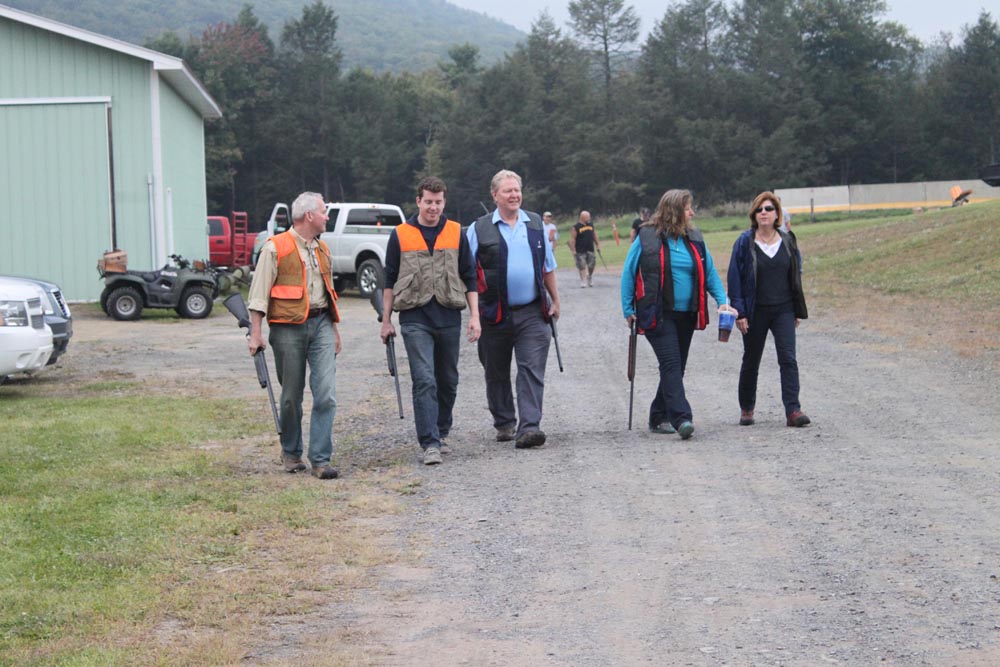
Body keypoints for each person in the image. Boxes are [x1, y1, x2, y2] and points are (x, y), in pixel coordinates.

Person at [380, 177, 481, 465]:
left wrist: (475, 316)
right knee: (424, 379)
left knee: (448, 379)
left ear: (444, 202)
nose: (433, 207)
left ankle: (442, 429)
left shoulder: (456, 232)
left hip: (449, 315)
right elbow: (389, 279)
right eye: (428, 202)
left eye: (438, 202)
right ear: (418, 201)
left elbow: (469, 275)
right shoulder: (400, 234)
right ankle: (430, 443)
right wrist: (386, 320)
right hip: (415, 318)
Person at [620, 189, 734, 440]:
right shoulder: (646, 237)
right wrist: (628, 309)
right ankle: (682, 418)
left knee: (676, 367)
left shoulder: (694, 238)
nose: (692, 213)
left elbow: (709, 272)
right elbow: (629, 272)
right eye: (687, 208)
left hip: (687, 314)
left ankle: (657, 416)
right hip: (657, 313)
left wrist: (723, 302)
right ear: (674, 211)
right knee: (671, 364)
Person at [247, 192, 341, 479]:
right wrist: (256, 333)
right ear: (309, 216)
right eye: (324, 211)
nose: (327, 217)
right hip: (287, 327)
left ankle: (321, 460)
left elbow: (328, 292)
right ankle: (291, 452)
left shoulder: (323, 249)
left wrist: (334, 330)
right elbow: (258, 294)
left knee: (326, 394)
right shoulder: (275, 248)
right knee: (290, 396)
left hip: (321, 323)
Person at [467, 169, 560, 449]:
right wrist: (473, 314)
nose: (514, 195)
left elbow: (547, 266)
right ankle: (505, 422)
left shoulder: (535, 223)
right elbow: (468, 274)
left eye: (517, 190)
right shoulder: (478, 229)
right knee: (495, 371)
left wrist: (555, 300)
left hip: (532, 311)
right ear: (495, 195)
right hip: (493, 312)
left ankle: (529, 427)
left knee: (531, 369)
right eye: (508, 190)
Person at [726, 191, 810, 427]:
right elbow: (735, 279)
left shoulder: (788, 241)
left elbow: (795, 276)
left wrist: (797, 309)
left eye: (769, 209)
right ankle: (747, 408)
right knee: (751, 359)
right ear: (754, 214)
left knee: (788, 358)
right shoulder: (744, 242)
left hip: (783, 309)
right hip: (756, 310)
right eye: (759, 209)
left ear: (777, 214)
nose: (764, 213)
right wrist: (740, 312)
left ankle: (793, 410)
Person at [570, 210, 600, 288]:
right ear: (583, 217)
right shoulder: (576, 227)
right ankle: (583, 280)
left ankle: (589, 276)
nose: (589, 218)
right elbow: (573, 239)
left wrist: (597, 245)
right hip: (580, 250)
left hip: (590, 248)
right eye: (588, 217)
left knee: (591, 265)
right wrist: (573, 250)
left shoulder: (591, 225)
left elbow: (594, 235)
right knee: (582, 265)